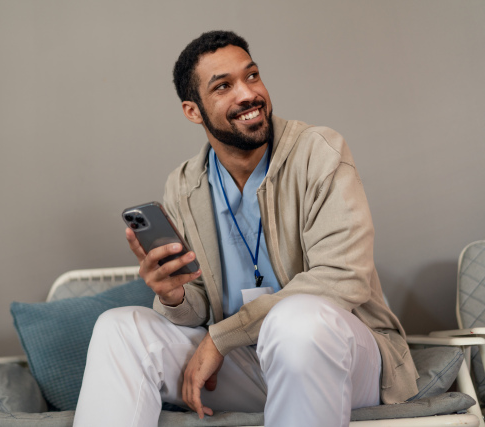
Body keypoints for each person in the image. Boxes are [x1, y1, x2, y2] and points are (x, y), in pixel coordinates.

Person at [73, 30, 418, 427]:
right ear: (193, 111)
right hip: (245, 364)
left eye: (252, 76)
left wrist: (222, 337)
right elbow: (198, 306)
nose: (248, 94)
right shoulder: (184, 184)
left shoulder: (319, 151)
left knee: (295, 323)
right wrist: (172, 295)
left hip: (341, 357)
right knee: (118, 328)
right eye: (224, 86)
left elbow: (343, 280)